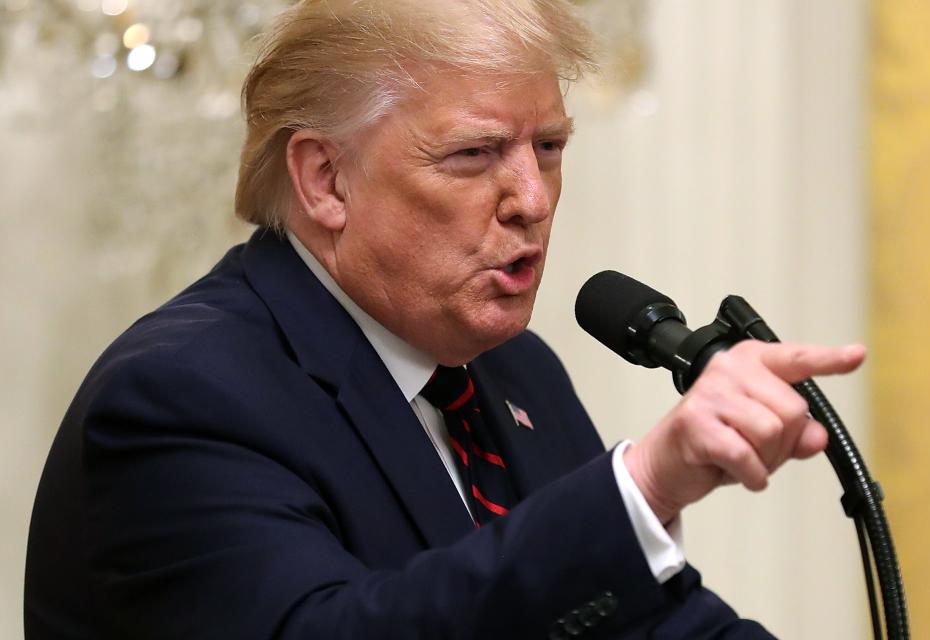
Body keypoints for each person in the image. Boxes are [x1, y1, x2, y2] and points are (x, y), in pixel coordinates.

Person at [25, 1, 866, 638]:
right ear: (325, 180)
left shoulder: (513, 370)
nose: (532, 201)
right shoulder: (182, 398)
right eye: (473, 154)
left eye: (549, 147)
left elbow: (641, 626)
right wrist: (641, 487)